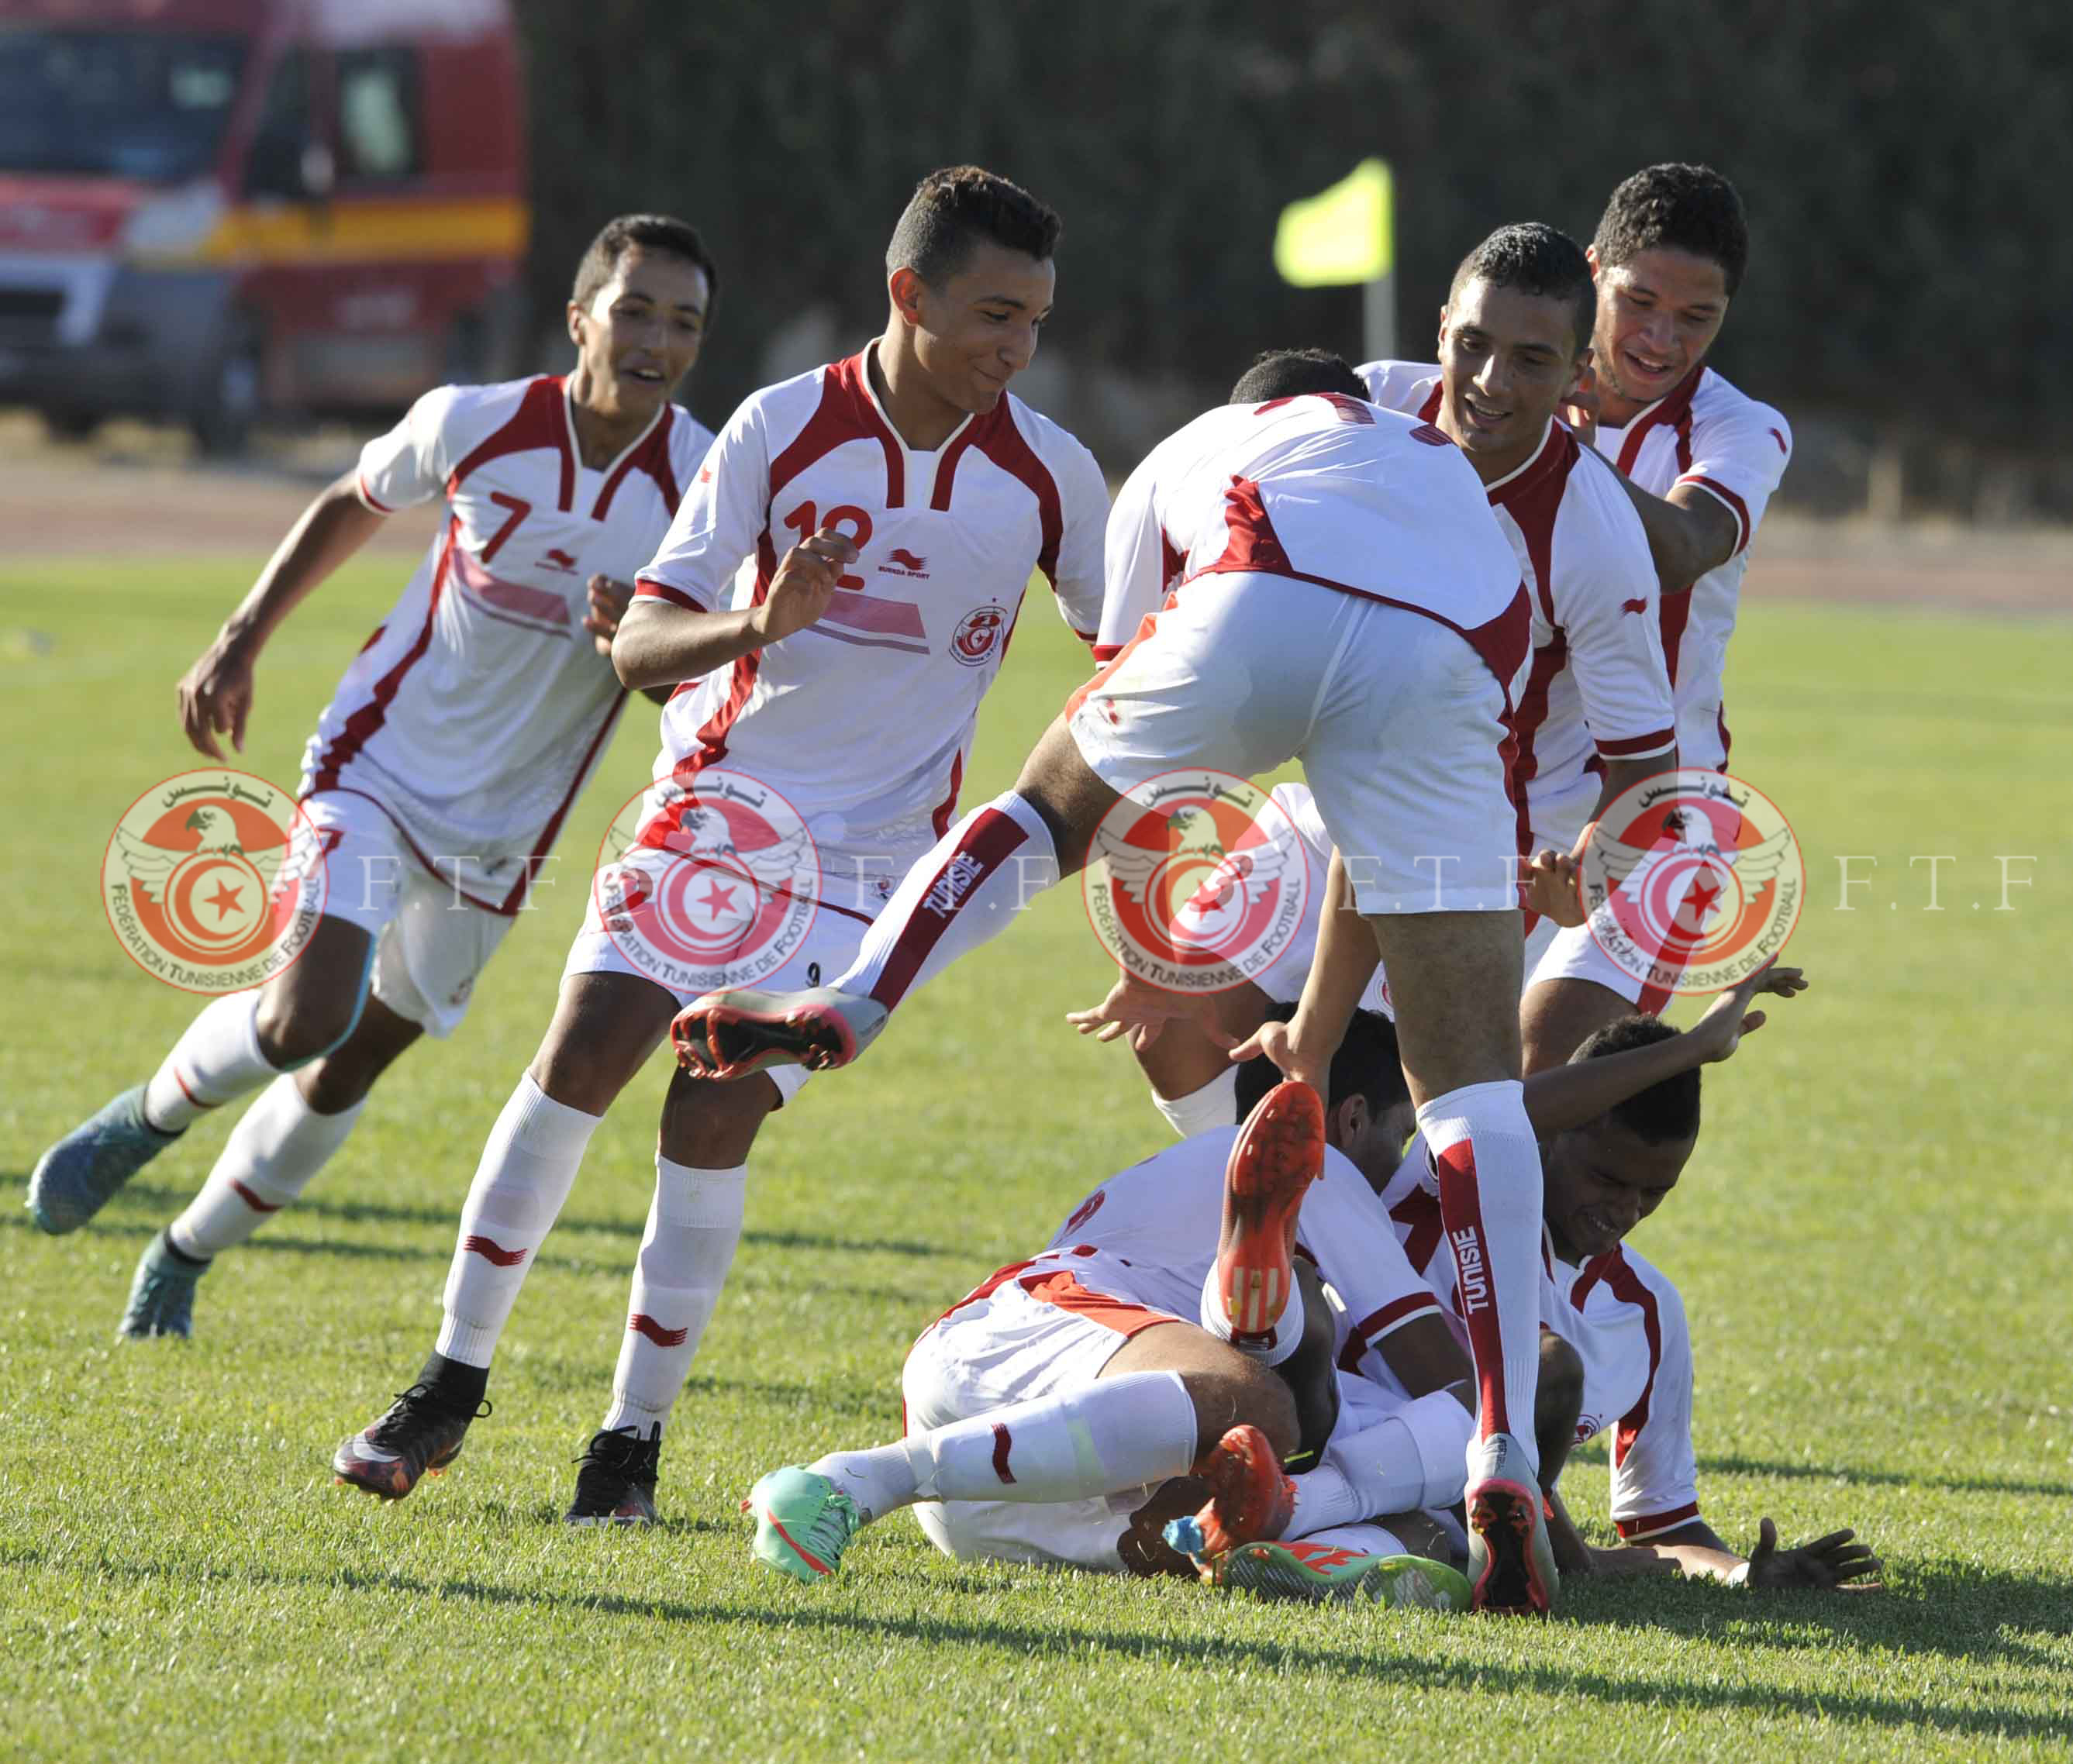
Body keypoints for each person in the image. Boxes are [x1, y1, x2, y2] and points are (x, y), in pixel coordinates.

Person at [677, 350, 1565, 1614]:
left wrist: (1176, 948)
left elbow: (1131, 764)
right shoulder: (1457, 487)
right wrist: (1313, 1039)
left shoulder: (1194, 450)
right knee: (1477, 1090)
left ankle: (857, 995)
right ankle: (1506, 1453)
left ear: (1249, 401)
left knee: (1042, 805)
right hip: (1454, 648)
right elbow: (1390, 830)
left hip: (1259, 593)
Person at [328, 166, 1111, 1527]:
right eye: (993, 313)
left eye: (1035, 321)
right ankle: (449, 1381)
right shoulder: (782, 427)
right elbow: (638, 647)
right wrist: (759, 625)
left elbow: (1135, 660)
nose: (1016, 348)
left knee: (714, 1107)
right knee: (579, 1058)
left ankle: (625, 1450)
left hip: (873, 875)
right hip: (723, 808)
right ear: (908, 294)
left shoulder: (1049, 473)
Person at [26, 215, 720, 1340]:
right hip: (379, 768)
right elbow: (352, 500)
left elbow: (696, 678)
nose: (656, 338)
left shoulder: (704, 481)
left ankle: (183, 1250)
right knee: (308, 1011)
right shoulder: (476, 421)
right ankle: (139, 1124)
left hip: (506, 832)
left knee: (349, 1066)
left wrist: (631, 650)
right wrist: (241, 637)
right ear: (581, 318)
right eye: (635, 309)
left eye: (683, 322)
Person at [1111, 223, 1679, 1133]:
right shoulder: (1365, 408)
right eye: (1474, 345)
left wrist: (1595, 872)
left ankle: (1357, 1242)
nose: (1492, 382)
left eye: (1532, 360)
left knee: (1424, 1102)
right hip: (1335, 802)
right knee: (1166, 1019)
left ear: (1580, 376)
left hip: (1483, 842)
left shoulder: (1594, 535)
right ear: (1442, 324)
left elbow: (1646, 768)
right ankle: (1284, 1224)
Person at [745, 1018, 1510, 1612]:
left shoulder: (1162, 1179)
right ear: (1347, 1120)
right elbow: (1465, 1395)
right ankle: (857, 1477)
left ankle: (1324, 1530)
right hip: (1029, 1341)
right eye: (1400, 1134)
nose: (1400, 1158)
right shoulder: (1327, 1166)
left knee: (1402, 1527)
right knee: (1293, 1409)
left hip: (1015, 1479)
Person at [1352, 965, 1882, 1591]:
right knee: (1547, 1370)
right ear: (1550, 1138)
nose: (1626, 1211)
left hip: (1436, 1518)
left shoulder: (1649, 1309)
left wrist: (1742, 1573)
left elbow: (1664, 1526)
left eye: (1654, 1192)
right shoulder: (1455, 1187)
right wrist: (1695, 1046)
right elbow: (1502, 1112)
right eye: (1607, 1179)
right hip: (1341, 1440)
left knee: (1432, 1539)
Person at [1523, 164, 1795, 1069]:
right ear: (1594, 269)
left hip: (1657, 819)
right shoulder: (1502, 389)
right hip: (1493, 808)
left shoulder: (1741, 429)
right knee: (1381, 1090)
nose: (1660, 337)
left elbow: (1682, 545)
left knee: (1524, 1085)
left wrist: (1540, 446)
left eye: (1696, 318)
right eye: (1639, 300)